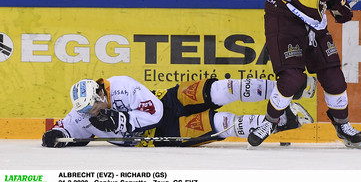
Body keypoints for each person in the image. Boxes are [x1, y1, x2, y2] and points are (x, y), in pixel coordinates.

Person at [248, 0, 361, 149]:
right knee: (292, 77)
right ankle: (271, 121)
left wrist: (336, 7)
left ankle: (342, 126)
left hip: (313, 21)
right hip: (285, 17)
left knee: (333, 74)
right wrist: (338, 3)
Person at [41, 75, 317, 148]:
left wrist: (122, 120)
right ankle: (281, 119)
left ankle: (289, 88)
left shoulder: (121, 85)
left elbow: (156, 111)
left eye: (93, 105)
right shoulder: (83, 114)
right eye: (86, 109)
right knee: (219, 123)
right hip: (165, 134)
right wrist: (53, 136)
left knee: (221, 89)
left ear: (100, 93)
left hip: (168, 103)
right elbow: (67, 129)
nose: (91, 112)